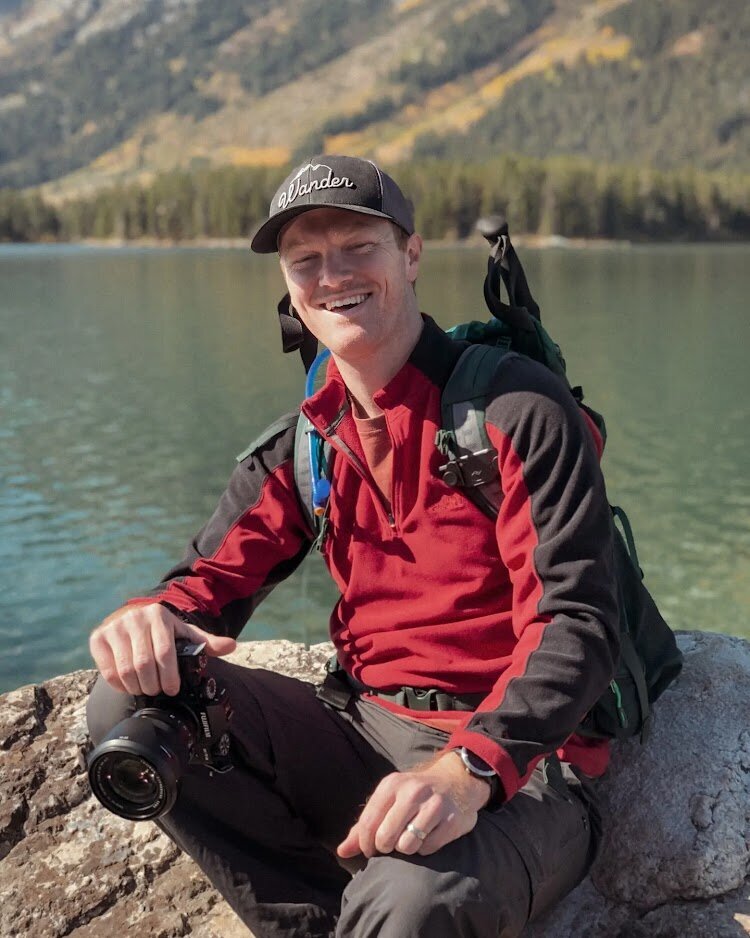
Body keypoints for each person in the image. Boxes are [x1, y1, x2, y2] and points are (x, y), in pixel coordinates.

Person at [87, 155, 620, 938]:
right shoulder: (308, 439)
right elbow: (205, 582)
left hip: (524, 767)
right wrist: (148, 617)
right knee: (125, 699)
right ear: (291, 290)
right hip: (363, 731)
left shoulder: (516, 408)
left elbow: (578, 621)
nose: (331, 273)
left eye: (357, 247)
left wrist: (466, 772)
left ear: (410, 256)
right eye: (305, 259)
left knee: (411, 906)